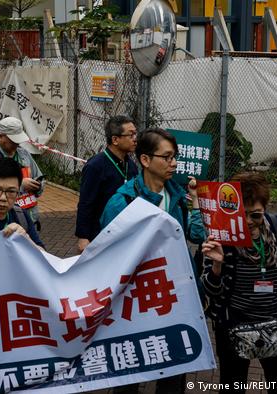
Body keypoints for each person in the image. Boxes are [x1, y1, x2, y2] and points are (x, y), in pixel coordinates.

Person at [100, 128, 206, 394]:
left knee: (174, 373)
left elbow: (196, 235)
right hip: (135, 302)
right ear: (145, 160)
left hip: (174, 299)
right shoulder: (122, 201)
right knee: (129, 371)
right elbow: (107, 253)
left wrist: (194, 201)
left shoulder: (178, 196)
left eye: (175, 158)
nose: (173, 164)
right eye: (167, 157)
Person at [202, 172, 277, 393]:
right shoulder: (222, 235)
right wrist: (216, 266)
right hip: (234, 327)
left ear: (264, 209)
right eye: (242, 214)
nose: (248, 222)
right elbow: (210, 291)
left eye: (255, 215)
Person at [76, 115, 139, 252]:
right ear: (115, 139)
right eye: (131, 134)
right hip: (99, 233)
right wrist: (83, 236)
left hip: (124, 232)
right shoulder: (95, 166)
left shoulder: (131, 166)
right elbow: (86, 203)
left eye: (135, 133)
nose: (135, 139)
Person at [0, 117, 45, 228]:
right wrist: (20, 185)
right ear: (0, 136)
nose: (16, 144)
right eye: (13, 140)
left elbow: (39, 177)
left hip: (30, 220)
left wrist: (38, 186)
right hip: (6, 224)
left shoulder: (24, 154)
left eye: (18, 140)